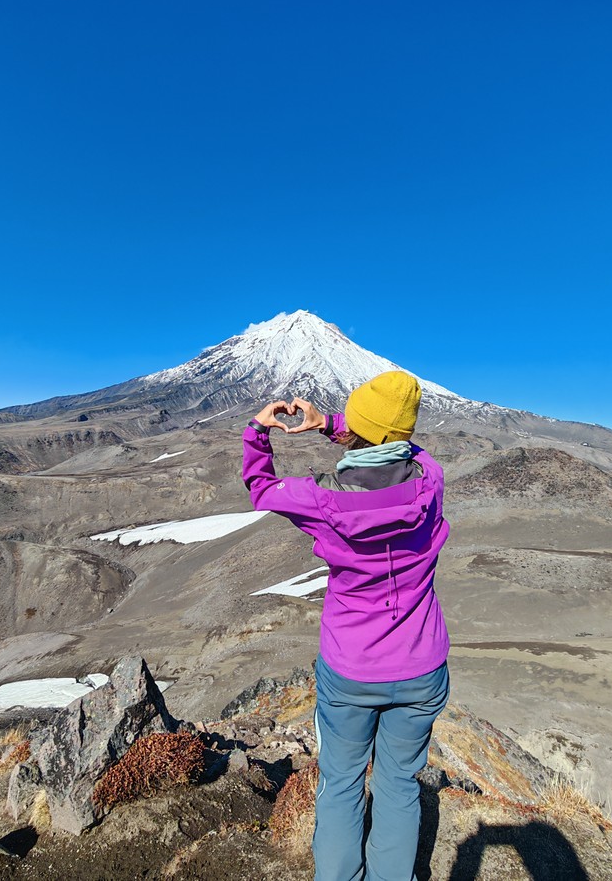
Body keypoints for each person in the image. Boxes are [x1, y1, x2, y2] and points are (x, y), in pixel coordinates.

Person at [241, 370, 451, 881]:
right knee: (400, 785)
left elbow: (261, 488)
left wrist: (259, 431)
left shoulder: (322, 500)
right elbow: (411, 450)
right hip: (422, 668)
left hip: (352, 669)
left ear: (360, 428)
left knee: (341, 783)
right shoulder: (431, 482)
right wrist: (338, 425)